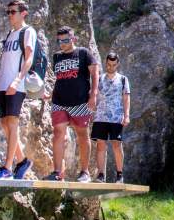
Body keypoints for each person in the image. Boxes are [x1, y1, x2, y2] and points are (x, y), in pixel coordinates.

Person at [42, 26, 98, 182]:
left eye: (65, 40)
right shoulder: (57, 57)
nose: (62, 43)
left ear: (73, 39)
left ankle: (85, 172)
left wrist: (93, 94)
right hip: (59, 101)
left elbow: (95, 73)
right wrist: (51, 94)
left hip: (80, 101)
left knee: (82, 134)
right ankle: (57, 172)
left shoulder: (83, 53)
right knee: (58, 133)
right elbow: (60, 78)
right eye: (59, 41)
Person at [0, 0, 38, 179]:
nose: (10, 15)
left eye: (13, 11)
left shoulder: (28, 31)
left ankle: (7, 168)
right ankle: (22, 161)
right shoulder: (10, 34)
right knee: (4, 124)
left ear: (23, 13)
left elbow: (28, 58)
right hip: (2, 84)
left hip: (15, 85)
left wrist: (17, 80)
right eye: (8, 12)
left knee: (12, 123)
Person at [91, 51, 130, 183]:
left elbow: (126, 98)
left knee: (116, 145)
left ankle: (120, 175)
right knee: (101, 145)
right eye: (108, 64)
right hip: (101, 116)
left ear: (117, 64)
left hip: (116, 117)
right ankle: (101, 174)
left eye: (113, 65)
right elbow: (94, 95)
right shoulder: (100, 78)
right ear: (105, 63)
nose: (111, 67)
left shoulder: (123, 79)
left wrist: (126, 115)